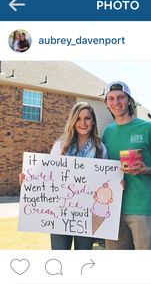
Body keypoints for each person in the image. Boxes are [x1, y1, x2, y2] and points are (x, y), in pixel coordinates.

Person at [20, 101, 108, 250]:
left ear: (93, 121)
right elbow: (46, 176)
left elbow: (105, 181)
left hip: (86, 215)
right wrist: (29, 179)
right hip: (59, 213)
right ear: (72, 121)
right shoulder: (60, 146)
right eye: (78, 118)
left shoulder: (100, 149)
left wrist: (116, 184)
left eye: (87, 118)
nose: (83, 123)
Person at [102, 81, 151, 250]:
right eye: (110, 98)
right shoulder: (107, 132)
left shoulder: (148, 128)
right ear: (106, 103)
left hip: (140, 208)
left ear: (129, 100)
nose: (116, 102)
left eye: (120, 97)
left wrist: (147, 169)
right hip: (112, 209)